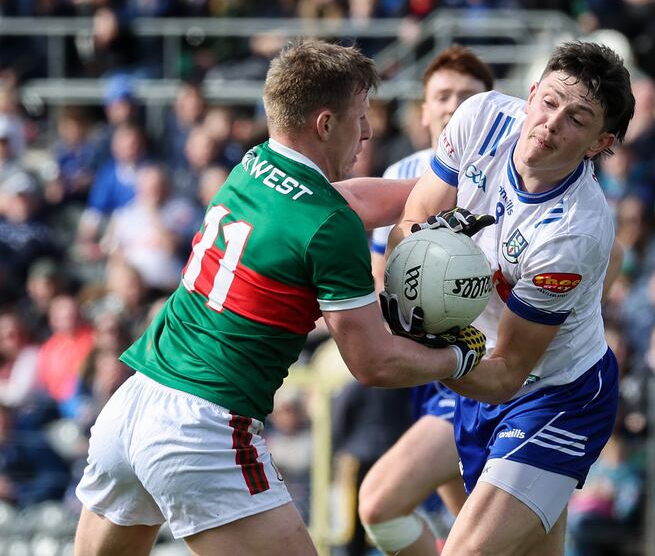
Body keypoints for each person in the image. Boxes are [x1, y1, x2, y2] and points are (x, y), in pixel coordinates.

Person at [72, 40, 487, 556]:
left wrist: (454, 191)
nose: (367, 132)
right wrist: (465, 353)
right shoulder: (328, 227)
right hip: (202, 428)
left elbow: (350, 198)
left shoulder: (252, 165)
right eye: (359, 117)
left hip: (131, 406)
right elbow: (375, 363)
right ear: (325, 123)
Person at [380, 41, 635, 555]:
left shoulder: (574, 231)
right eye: (550, 101)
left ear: (598, 142)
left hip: (556, 394)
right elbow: (408, 227)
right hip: (479, 373)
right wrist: (414, 278)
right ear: (533, 91)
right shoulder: (481, 118)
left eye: (577, 118)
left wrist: (417, 347)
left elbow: (506, 375)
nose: (552, 122)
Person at [358, 44, 494, 552]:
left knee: (381, 503)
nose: (454, 105)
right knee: (476, 533)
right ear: (423, 111)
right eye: (443, 95)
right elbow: (379, 279)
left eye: (467, 96)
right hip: (430, 366)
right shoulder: (399, 178)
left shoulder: (509, 179)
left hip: (488, 365)